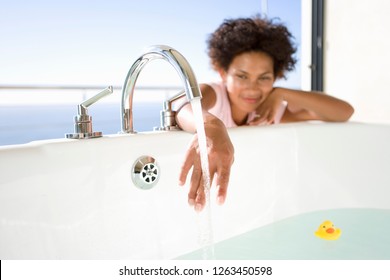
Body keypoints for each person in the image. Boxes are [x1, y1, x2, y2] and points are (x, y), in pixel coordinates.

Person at [175, 16, 354, 212]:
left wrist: (282, 93)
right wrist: (212, 126)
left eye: (264, 78)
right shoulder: (214, 93)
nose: (252, 88)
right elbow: (184, 107)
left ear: (276, 77)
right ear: (223, 72)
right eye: (242, 76)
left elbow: (343, 112)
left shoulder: (270, 111)